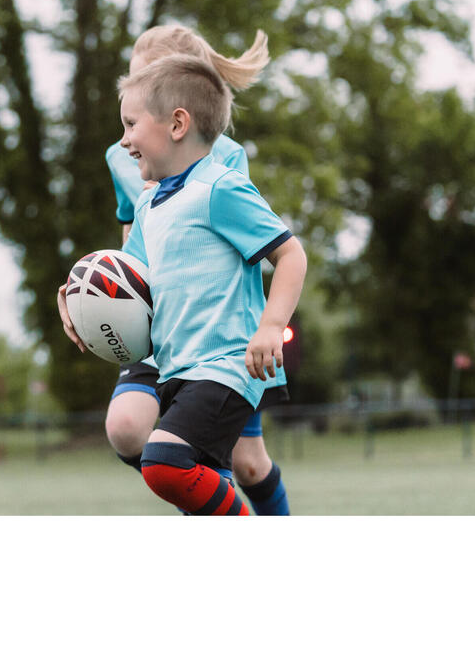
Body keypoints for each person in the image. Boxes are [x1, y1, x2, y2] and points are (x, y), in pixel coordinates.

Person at [60, 54, 307, 515]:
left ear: (177, 124)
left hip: (227, 367)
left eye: (131, 125)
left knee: (165, 462)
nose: (124, 140)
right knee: (196, 481)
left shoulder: (221, 188)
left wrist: (271, 326)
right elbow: (128, 279)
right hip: (177, 370)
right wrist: (77, 298)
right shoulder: (150, 203)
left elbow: (290, 254)